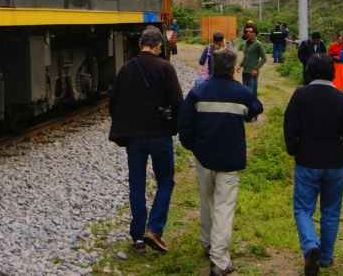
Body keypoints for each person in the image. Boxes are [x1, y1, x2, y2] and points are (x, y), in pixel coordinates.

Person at [179, 47, 263, 276]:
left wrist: (192, 146)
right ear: (233, 68)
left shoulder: (198, 92)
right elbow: (256, 109)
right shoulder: (242, 93)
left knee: (206, 201)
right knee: (224, 207)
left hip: (204, 156)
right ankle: (219, 260)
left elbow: (184, 123)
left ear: (212, 66)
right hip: (230, 158)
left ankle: (207, 244)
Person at [108, 25, 185, 253]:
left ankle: (137, 237)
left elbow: (113, 104)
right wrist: (174, 126)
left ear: (141, 43)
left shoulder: (125, 69)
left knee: (137, 185)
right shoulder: (165, 68)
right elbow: (178, 103)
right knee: (165, 182)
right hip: (160, 135)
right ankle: (154, 228)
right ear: (159, 45)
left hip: (135, 139)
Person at [284, 55, 343, 274]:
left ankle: (310, 246)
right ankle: (325, 257)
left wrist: (293, 149)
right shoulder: (342, 99)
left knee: (303, 209)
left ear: (309, 71)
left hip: (307, 160)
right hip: (335, 162)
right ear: (332, 72)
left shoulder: (300, 95)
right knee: (331, 211)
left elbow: (289, 126)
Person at [238, 21, 267, 96]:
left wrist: (256, 69)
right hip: (245, 72)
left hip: (252, 73)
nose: (248, 33)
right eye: (247, 31)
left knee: (252, 93)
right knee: (245, 92)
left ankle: (253, 107)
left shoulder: (258, 44)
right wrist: (240, 65)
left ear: (255, 33)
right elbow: (246, 57)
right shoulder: (245, 43)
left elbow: (264, 59)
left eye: (250, 31)